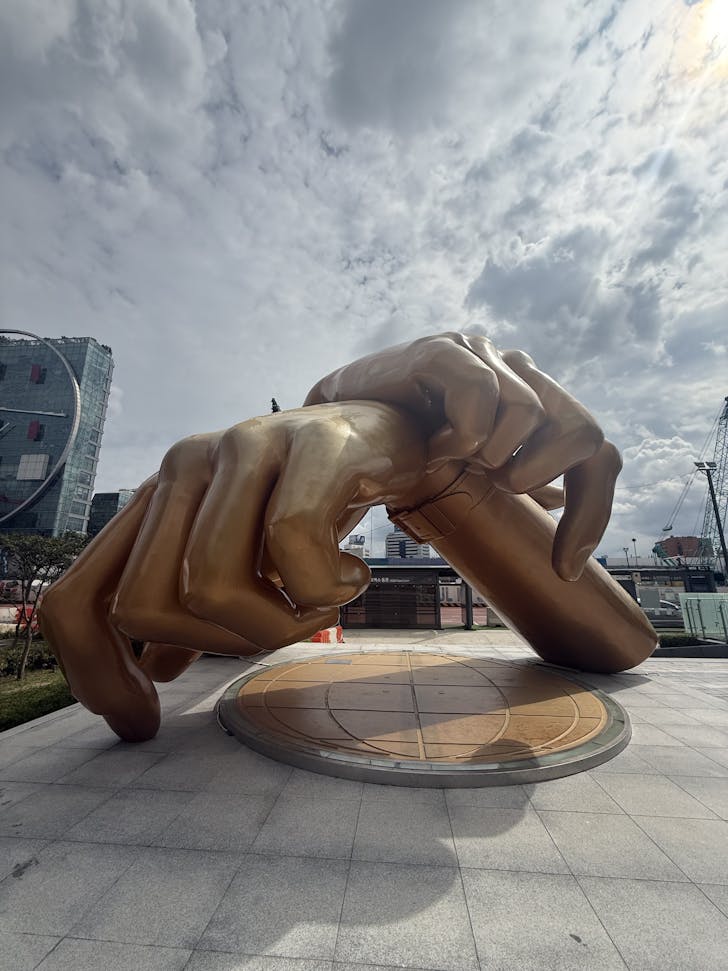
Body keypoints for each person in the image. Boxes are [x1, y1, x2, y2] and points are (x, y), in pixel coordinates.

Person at [39, 334, 655, 741]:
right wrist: (406, 436)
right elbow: (614, 647)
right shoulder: (229, 493)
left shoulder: (391, 434)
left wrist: (406, 433)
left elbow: (617, 646)